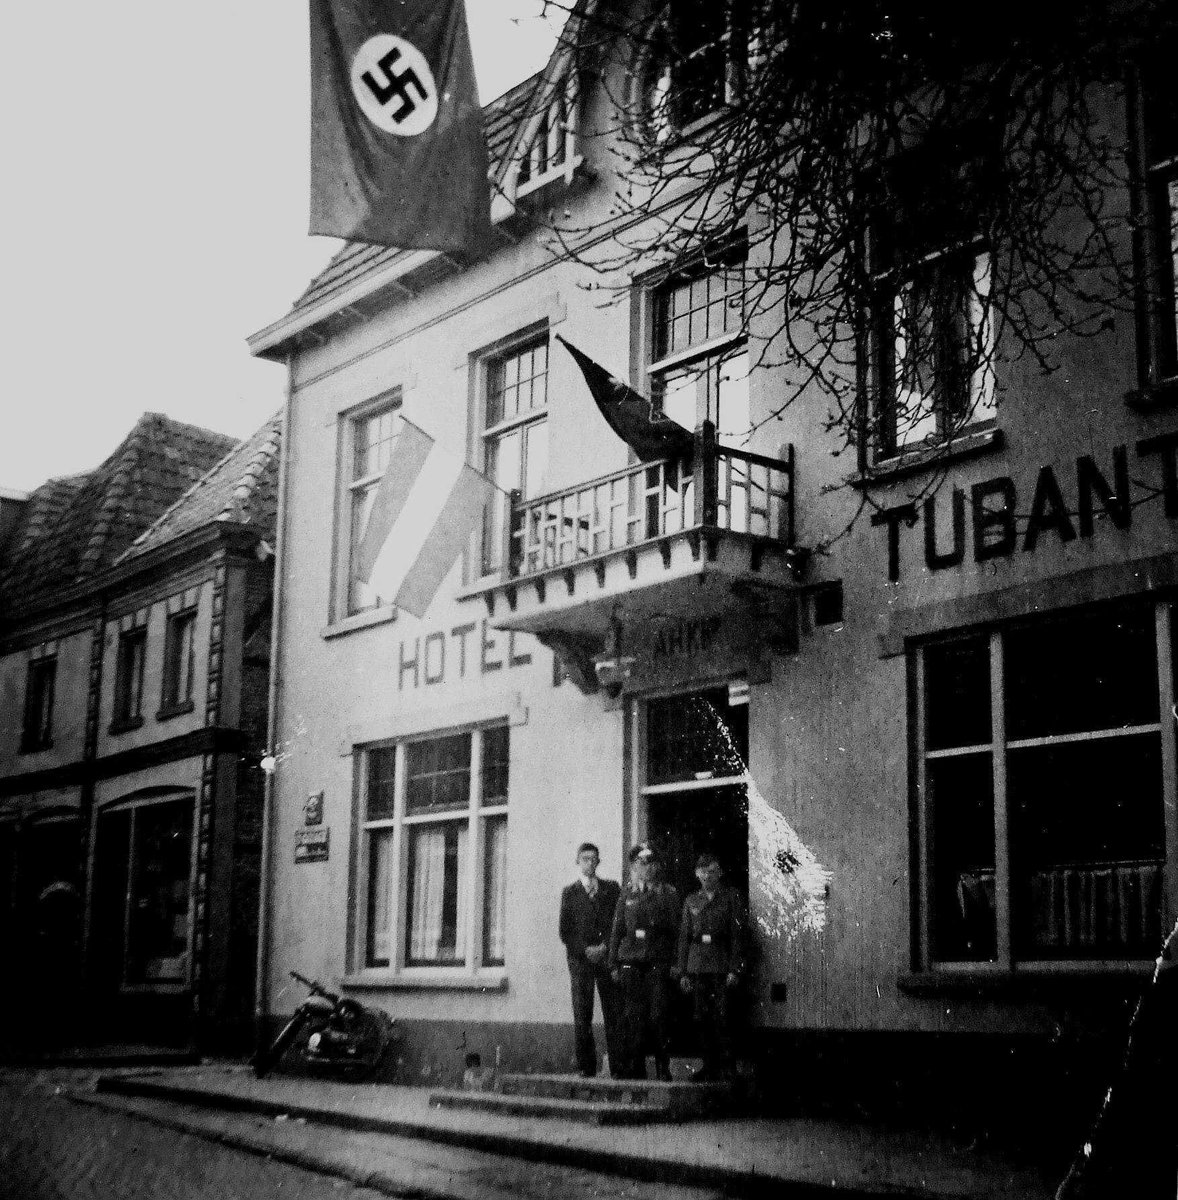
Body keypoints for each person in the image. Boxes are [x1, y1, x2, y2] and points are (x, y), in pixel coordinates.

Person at [608, 843, 680, 1081]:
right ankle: (634, 1068)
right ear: (633, 866)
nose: (646, 868)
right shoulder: (627, 894)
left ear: (657, 867)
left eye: (650, 863)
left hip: (657, 962)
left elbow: (677, 931)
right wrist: (613, 964)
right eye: (641, 863)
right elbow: (617, 930)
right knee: (633, 1016)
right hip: (631, 962)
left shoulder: (668, 894)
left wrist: (675, 963)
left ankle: (662, 1066)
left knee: (659, 1014)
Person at [677, 853, 744, 1082]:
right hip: (697, 966)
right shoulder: (691, 900)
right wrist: (683, 971)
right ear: (697, 874)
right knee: (701, 1018)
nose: (707, 876)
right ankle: (708, 1066)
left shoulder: (730, 897)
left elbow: (737, 936)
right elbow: (684, 937)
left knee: (723, 1017)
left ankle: (727, 1067)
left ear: (720, 873)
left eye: (712, 871)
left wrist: (735, 968)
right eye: (703, 872)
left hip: (721, 964)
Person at [558, 842, 622, 1077]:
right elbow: (565, 932)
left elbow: (618, 922)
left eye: (594, 858)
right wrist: (586, 949)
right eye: (585, 858)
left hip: (606, 958)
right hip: (581, 961)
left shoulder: (611, 889)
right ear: (577, 861)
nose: (589, 862)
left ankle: (618, 1066)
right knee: (582, 1012)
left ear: (598, 862)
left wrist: (605, 947)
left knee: (613, 1011)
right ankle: (587, 1067)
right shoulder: (570, 893)